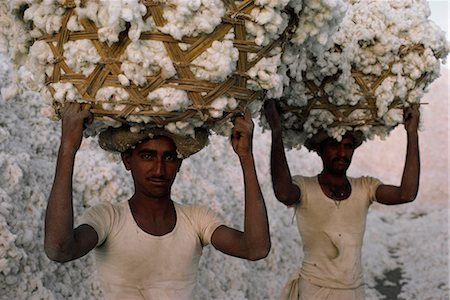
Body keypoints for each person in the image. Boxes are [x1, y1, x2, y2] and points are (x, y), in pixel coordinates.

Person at [44, 103, 271, 299]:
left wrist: (246, 157)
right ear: (127, 160)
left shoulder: (196, 220)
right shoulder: (108, 218)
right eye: (147, 156)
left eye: (169, 158)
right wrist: (68, 148)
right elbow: (59, 250)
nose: (159, 169)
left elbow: (256, 248)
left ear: (179, 164)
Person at [264, 99, 420, 300]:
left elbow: (406, 194)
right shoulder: (304, 187)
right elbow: (284, 193)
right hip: (314, 290)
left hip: (352, 292)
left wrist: (412, 133)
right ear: (320, 150)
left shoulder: (365, 187)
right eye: (334, 146)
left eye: (348, 147)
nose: (342, 153)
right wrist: (277, 131)